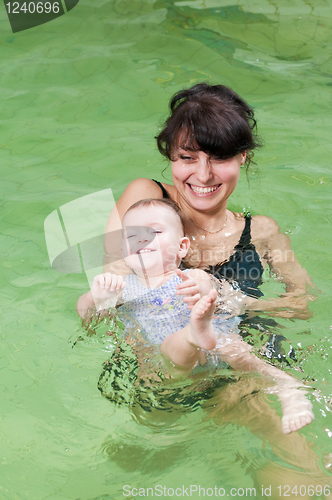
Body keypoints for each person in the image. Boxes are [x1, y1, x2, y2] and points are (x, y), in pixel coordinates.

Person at [77, 198, 314, 435]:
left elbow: (214, 288)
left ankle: (290, 389)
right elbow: (86, 316)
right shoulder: (121, 288)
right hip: (165, 355)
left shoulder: (190, 276)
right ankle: (193, 334)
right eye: (132, 236)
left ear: (181, 247)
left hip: (215, 342)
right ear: (123, 251)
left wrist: (202, 290)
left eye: (156, 232)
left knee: (245, 357)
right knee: (166, 359)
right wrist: (95, 297)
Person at [103, 83, 314, 318]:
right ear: (171, 156)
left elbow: (300, 305)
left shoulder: (261, 231)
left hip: (252, 343)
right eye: (187, 157)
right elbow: (111, 294)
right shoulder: (145, 199)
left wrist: (230, 299)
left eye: (219, 158)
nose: (203, 176)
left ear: (243, 156)